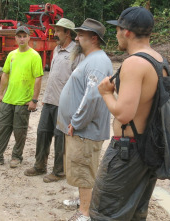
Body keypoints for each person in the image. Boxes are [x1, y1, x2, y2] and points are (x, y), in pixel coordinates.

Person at [90, 7, 166, 220]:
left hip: (127, 151)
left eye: (117, 29)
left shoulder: (134, 63)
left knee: (105, 212)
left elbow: (124, 114)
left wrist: (105, 93)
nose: (116, 34)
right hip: (149, 148)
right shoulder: (159, 60)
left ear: (127, 32)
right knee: (135, 212)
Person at [55, 18, 112, 221]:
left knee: (85, 168)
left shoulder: (97, 61)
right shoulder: (90, 59)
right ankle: (83, 201)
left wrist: (76, 122)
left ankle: (85, 213)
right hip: (80, 129)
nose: (76, 38)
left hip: (85, 130)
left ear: (93, 38)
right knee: (81, 168)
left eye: (80, 35)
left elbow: (93, 97)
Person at [23, 18, 84, 183]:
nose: (54, 33)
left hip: (65, 103)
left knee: (60, 137)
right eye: (55, 30)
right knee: (42, 133)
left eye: (58, 31)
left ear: (68, 33)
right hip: (49, 100)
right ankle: (40, 165)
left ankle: (59, 171)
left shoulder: (77, 53)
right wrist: (45, 97)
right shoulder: (56, 49)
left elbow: (78, 81)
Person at [0, 26, 43, 168]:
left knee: (19, 131)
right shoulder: (12, 55)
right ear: (15, 38)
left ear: (29, 37)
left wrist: (34, 100)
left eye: (24, 36)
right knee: (1, 127)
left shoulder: (34, 56)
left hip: (23, 101)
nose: (21, 39)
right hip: (8, 99)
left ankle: (16, 156)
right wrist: (1, 94)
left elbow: (38, 78)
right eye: (19, 36)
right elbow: (5, 74)